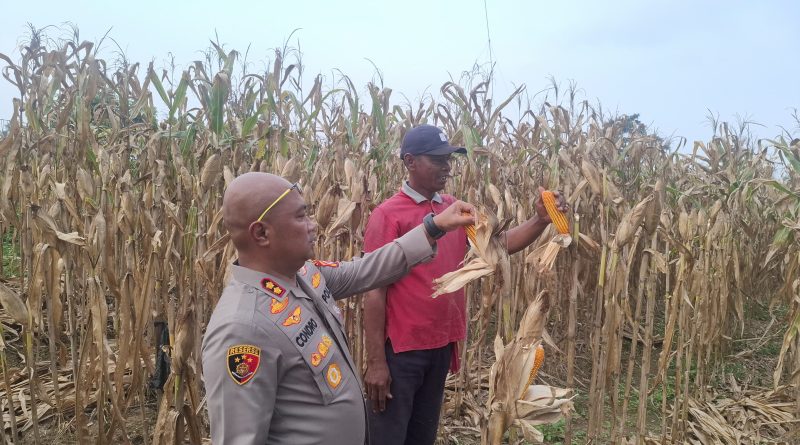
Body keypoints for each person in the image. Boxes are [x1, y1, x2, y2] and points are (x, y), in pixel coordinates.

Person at [201, 172, 477, 445]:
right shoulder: (242, 328)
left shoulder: (304, 275)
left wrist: (433, 227)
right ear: (262, 233)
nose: (313, 226)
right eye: (301, 217)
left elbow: (365, 270)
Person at [363, 124, 568, 445]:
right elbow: (374, 290)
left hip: (441, 345)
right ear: (410, 161)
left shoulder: (454, 208)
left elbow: (497, 246)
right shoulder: (388, 215)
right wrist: (376, 362)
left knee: (422, 436)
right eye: (437, 160)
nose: (447, 167)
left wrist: (540, 219)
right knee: (388, 437)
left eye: (449, 159)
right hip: (401, 351)